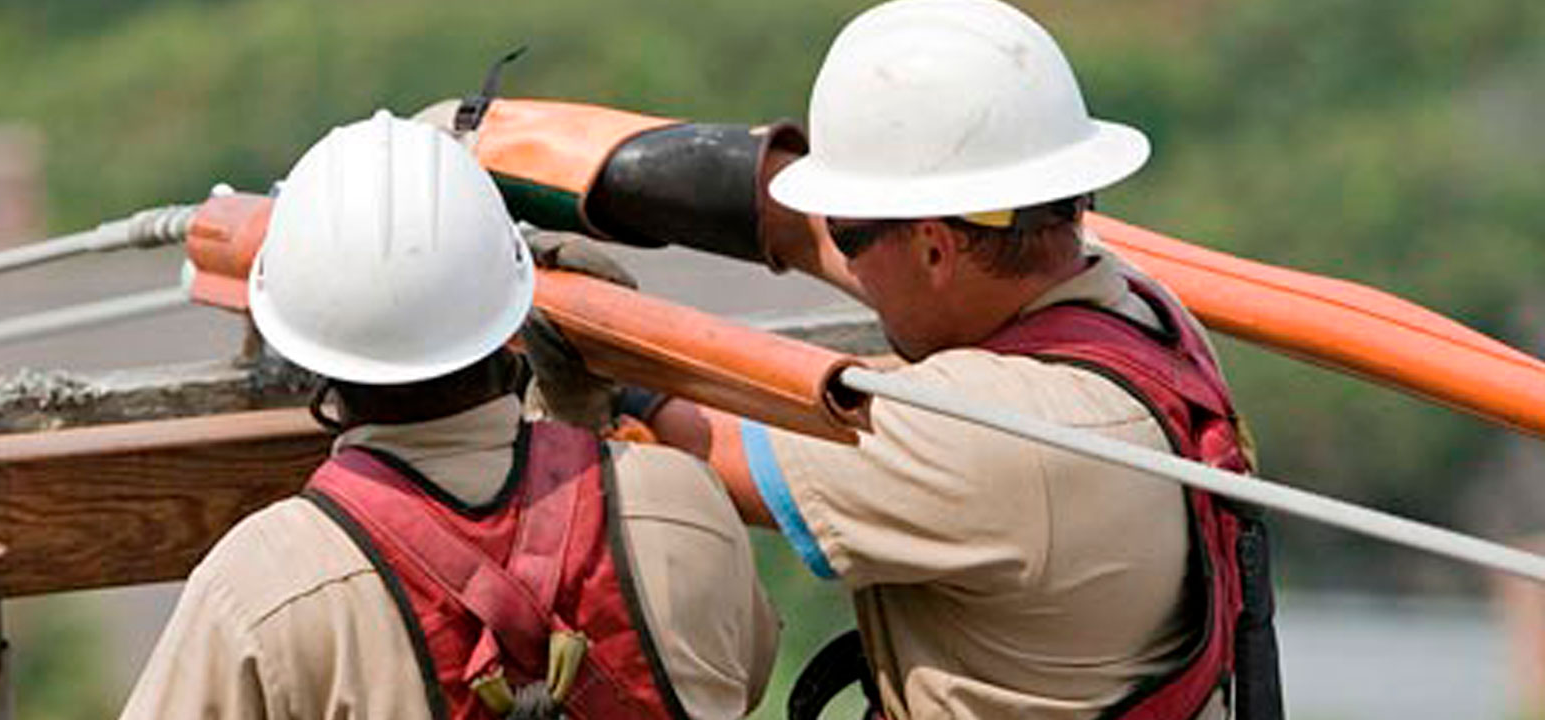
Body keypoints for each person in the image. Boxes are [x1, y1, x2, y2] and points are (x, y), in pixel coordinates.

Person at [478, 1, 1281, 718]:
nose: (844, 259)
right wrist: (534, 160)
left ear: (934, 247)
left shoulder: (994, 437)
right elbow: (819, 234)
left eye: (854, 235)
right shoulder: (1144, 307)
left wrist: (577, 345)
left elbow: (697, 443)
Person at [118, 111, 778, 720]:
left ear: (311, 351)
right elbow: (746, 677)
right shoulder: (681, 503)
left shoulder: (263, 587)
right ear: (513, 311)